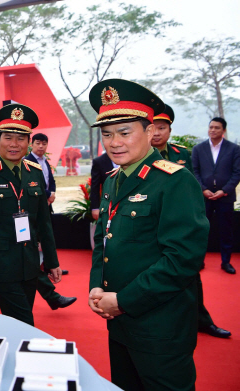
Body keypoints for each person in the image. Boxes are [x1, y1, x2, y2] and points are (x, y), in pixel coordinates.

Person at [87, 79, 208, 391]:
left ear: (150, 131)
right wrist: (97, 285)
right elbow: (104, 241)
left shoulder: (174, 180)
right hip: (119, 322)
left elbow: (182, 259)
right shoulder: (113, 179)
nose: (114, 142)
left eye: (124, 132)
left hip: (160, 326)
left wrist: (123, 301)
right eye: (107, 134)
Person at [0, 104, 62, 326]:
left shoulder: (34, 172)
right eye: (8, 137)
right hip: (0, 262)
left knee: (16, 321)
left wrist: (51, 261)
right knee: (24, 321)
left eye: (21, 138)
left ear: (29, 142)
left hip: (29, 262)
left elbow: (44, 222)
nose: (14, 144)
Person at [152, 105, 231, 339]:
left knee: (190, 275)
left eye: (162, 128)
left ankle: (201, 321)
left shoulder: (181, 153)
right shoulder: (139, 155)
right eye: (153, 128)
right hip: (153, 226)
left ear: (169, 130)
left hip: (180, 225)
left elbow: (192, 186)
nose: (157, 133)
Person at [25, 133, 76, 310]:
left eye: (44, 143)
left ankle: (49, 272)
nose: (41, 146)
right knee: (27, 260)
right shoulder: (26, 163)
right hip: (22, 220)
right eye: (37, 143)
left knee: (32, 255)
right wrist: (46, 195)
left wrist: (51, 193)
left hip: (39, 211)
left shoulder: (43, 161)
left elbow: (49, 181)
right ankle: (51, 296)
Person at [192, 117, 240, 275]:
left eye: (217, 127)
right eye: (211, 127)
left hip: (225, 197)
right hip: (203, 197)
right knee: (200, 230)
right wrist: (203, 189)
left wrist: (224, 190)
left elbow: (237, 173)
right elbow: (194, 171)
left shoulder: (234, 149)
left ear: (223, 130)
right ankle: (199, 260)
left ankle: (226, 262)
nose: (213, 130)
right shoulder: (198, 149)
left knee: (226, 230)